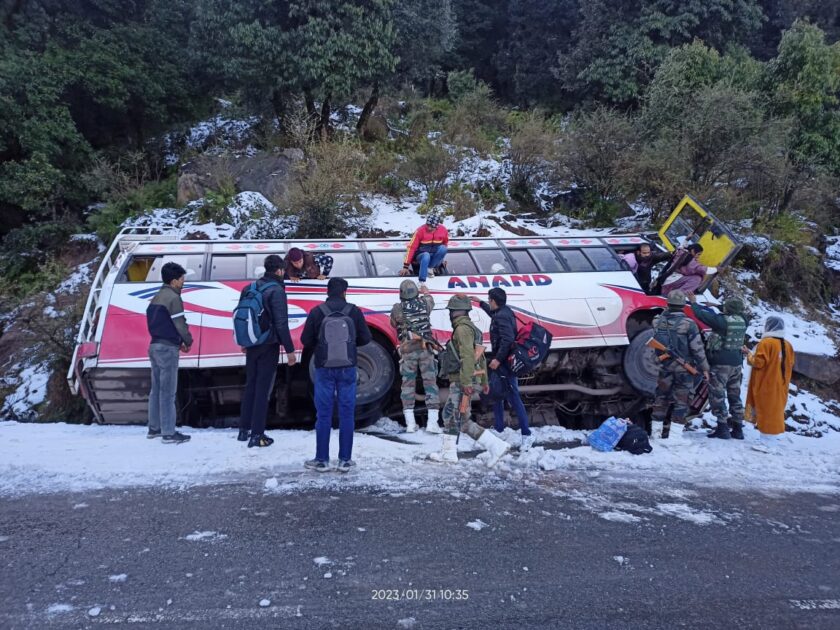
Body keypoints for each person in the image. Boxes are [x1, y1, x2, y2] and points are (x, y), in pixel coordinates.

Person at [300, 277, 372, 472]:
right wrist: (348, 345)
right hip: (348, 368)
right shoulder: (354, 311)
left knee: (323, 414)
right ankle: (345, 460)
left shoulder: (317, 312)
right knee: (347, 414)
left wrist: (323, 345)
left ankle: (322, 460)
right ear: (344, 292)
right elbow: (366, 338)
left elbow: (305, 340)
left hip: (324, 368)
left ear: (328, 291)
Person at [431, 294, 510, 466]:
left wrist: (467, 383)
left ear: (454, 312)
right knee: (462, 420)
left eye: (451, 311)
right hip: (467, 378)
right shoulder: (471, 328)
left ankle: (449, 454)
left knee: (451, 415)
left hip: (462, 380)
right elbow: (480, 358)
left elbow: (468, 357)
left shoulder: (462, 330)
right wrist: (484, 381)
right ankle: (497, 446)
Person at [238, 254, 297, 448]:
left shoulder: (250, 288)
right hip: (268, 344)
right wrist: (289, 350)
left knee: (251, 386)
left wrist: (245, 341)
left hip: (252, 343)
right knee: (263, 389)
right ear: (279, 270)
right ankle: (257, 435)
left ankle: (243, 430)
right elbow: (281, 323)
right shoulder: (276, 290)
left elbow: (242, 316)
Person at [649, 290, 710, 439]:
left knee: (661, 398)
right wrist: (705, 368)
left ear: (668, 303)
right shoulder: (689, 324)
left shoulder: (657, 321)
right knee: (682, 401)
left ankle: (655, 434)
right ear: (683, 305)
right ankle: (675, 437)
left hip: (664, 367)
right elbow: (697, 349)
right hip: (684, 370)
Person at [478, 287, 533, 450]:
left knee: (514, 397)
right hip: (502, 363)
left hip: (505, 364)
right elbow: (493, 315)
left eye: (489, 300)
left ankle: (527, 434)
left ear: (494, 301)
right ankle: (500, 429)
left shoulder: (502, 315)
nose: (489, 302)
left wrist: (497, 359)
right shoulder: (503, 311)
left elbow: (507, 340)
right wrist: (480, 303)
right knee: (497, 394)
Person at [145, 262, 193, 443]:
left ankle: (154, 428)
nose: (183, 282)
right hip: (167, 349)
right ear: (174, 281)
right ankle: (168, 433)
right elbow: (179, 324)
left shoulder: (156, 297)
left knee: (155, 390)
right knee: (168, 392)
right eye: (181, 279)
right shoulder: (173, 298)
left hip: (154, 346)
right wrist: (187, 341)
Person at [690, 297, 748, 440]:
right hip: (737, 364)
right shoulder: (744, 320)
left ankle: (722, 428)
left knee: (717, 395)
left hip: (721, 364)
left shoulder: (721, 322)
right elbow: (732, 310)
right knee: (735, 395)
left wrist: (693, 303)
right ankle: (738, 428)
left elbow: (701, 315)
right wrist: (716, 305)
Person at [389, 280, 441, 433]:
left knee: (407, 386)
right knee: (430, 384)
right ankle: (433, 423)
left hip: (408, 351)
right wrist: (426, 291)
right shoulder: (425, 303)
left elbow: (393, 323)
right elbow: (430, 299)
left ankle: (410, 424)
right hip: (426, 349)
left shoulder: (397, 308)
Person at [745, 316, 794, 453]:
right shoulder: (787, 344)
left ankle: (768, 444)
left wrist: (748, 354)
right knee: (774, 411)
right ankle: (767, 440)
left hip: (766, 384)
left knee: (765, 411)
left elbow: (759, 362)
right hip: (781, 384)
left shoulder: (766, 343)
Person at [399, 212, 449, 284]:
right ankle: (421, 282)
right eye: (428, 225)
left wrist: (441, 259)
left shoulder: (443, 230)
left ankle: (430, 268)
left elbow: (445, 244)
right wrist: (406, 266)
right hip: (421, 257)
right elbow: (411, 248)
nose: (429, 228)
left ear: (436, 226)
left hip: (434, 258)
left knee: (443, 248)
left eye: (432, 227)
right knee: (426, 255)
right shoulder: (420, 231)